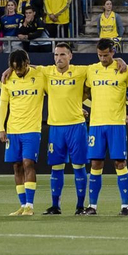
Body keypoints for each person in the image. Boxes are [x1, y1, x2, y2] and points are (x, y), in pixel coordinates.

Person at [81, 38, 128, 214]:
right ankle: (92, 206)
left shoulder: (123, 70)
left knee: (120, 163)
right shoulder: (91, 70)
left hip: (116, 124)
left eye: (105, 55)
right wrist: (76, 107)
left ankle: (125, 206)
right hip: (96, 124)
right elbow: (83, 92)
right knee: (96, 164)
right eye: (100, 55)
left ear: (113, 52)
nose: (103, 58)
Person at [38, 41, 89, 214]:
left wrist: (119, 59)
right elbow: (26, 66)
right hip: (56, 127)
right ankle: (55, 205)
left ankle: (80, 206)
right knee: (56, 167)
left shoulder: (81, 71)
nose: (58, 58)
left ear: (70, 56)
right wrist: (9, 69)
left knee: (79, 167)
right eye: (56, 55)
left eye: (62, 54)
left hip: (76, 125)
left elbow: (102, 67)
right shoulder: (47, 72)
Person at [0, 48, 45, 215]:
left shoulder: (40, 75)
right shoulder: (8, 79)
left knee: (28, 163)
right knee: (17, 166)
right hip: (13, 130)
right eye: (14, 68)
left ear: (27, 63)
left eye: (21, 68)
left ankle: (30, 206)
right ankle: (23, 205)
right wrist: (1, 128)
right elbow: (3, 105)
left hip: (32, 129)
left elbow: (57, 75)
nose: (18, 71)